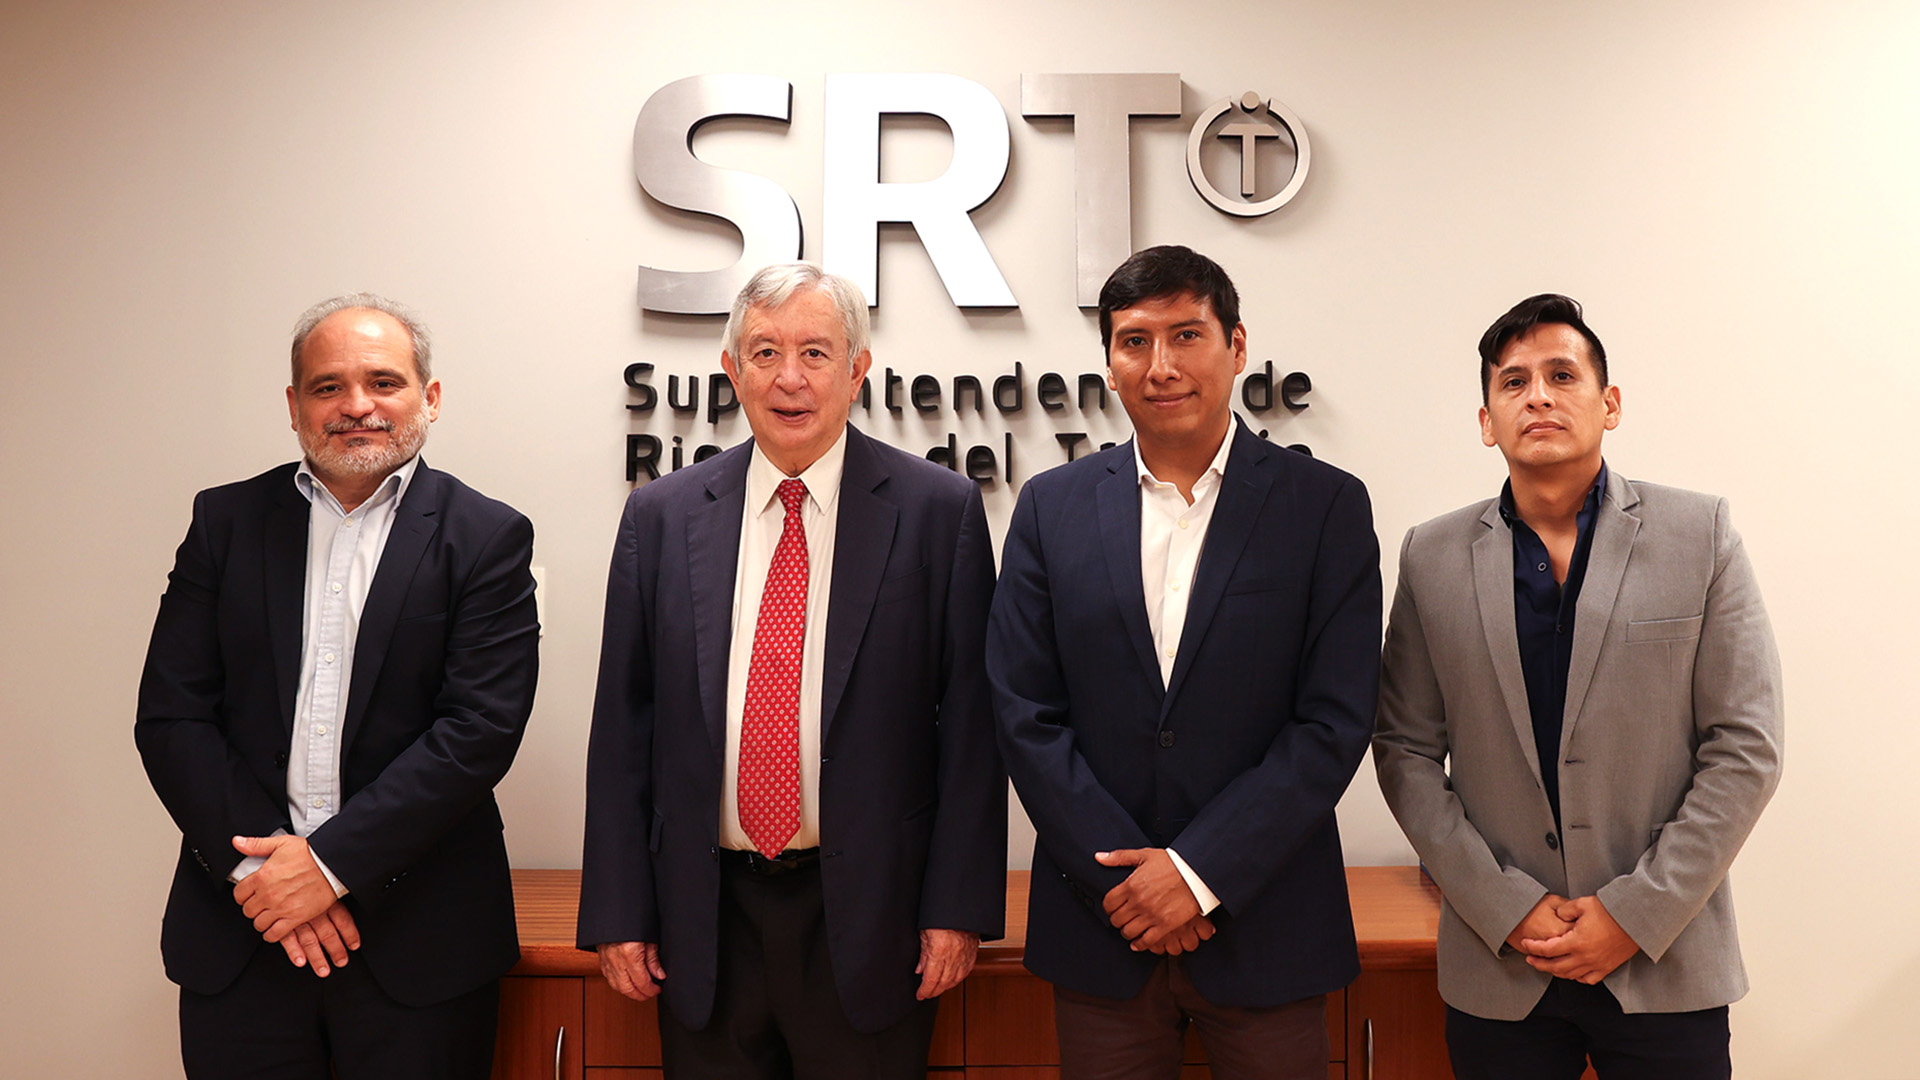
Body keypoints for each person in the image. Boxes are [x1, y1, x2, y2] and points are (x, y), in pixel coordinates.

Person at [578, 263, 1005, 1079]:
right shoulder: (661, 516)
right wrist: (619, 910)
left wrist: (958, 907)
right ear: (733, 369)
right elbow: (625, 726)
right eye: (766, 352)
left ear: (858, 369)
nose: (790, 377)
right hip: (704, 917)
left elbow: (972, 729)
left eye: (815, 352)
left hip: (873, 916)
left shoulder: (937, 510)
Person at [987, 245, 1381, 1080]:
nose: (1160, 365)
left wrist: (1199, 874)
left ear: (1236, 347)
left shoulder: (1324, 507)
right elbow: (1024, 712)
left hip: (1269, 927)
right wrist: (1133, 889)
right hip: (1104, 931)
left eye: (1186, 335)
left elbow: (1334, 720)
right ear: (1109, 363)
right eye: (1134, 341)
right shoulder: (1051, 508)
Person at [1372, 293, 1784, 1079]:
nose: (1539, 396)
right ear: (1487, 420)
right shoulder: (1431, 556)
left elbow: (1746, 746)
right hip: (1502, 964)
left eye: (1562, 375)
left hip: (1665, 961)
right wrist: (1505, 905)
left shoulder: (1700, 534)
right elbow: (1404, 751)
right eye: (1514, 381)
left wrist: (1636, 912)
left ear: (1610, 403)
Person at [135, 294, 541, 1078]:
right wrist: (268, 878)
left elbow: (478, 730)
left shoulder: (487, 537)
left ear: (430, 397)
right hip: (245, 935)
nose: (357, 405)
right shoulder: (224, 522)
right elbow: (172, 717)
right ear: (295, 406)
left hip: (420, 948)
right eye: (328, 387)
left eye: (384, 382)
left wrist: (324, 868)